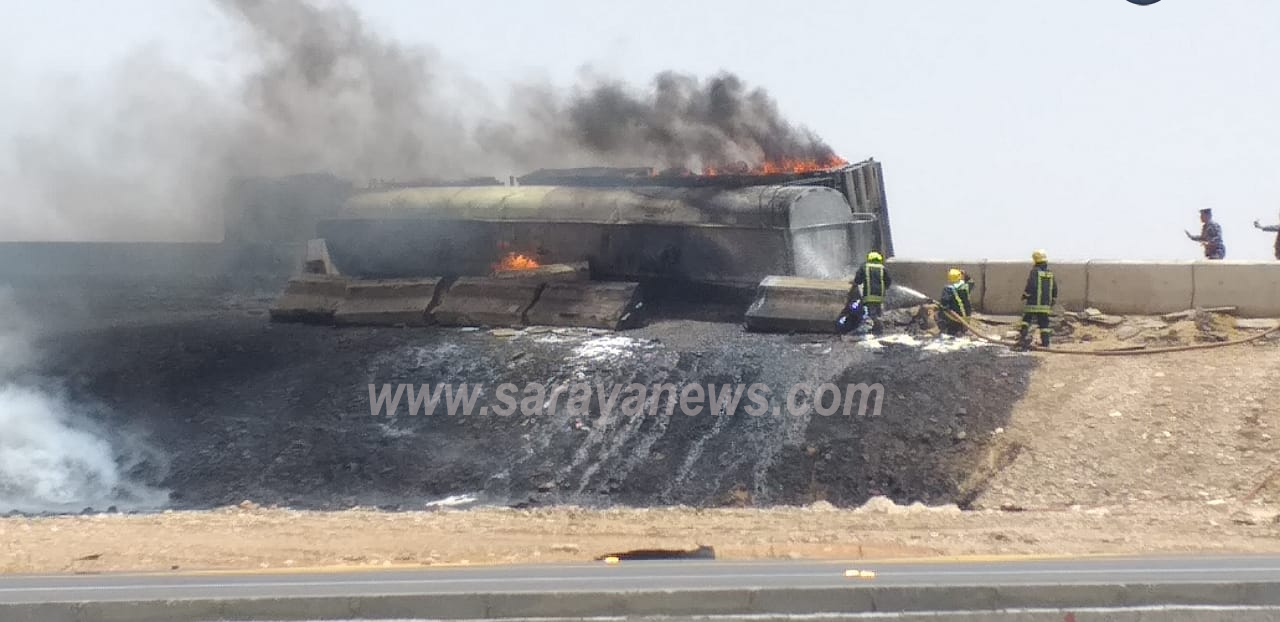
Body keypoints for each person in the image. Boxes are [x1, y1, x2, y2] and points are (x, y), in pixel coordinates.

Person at [1018, 250, 1058, 349]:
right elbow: (1054, 288)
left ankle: (1023, 337)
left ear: (1035, 260)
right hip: (1045, 305)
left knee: (1026, 320)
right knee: (1044, 324)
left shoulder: (1035, 272)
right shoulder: (1049, 273)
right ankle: (1046, 342)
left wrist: (1025, 295)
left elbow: (1032, 285)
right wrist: (1053, 299)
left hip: (1033, 303)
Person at [852, 251, 892, 334]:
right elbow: (888, 281)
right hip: (880, 295)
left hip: (870, 295)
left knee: (872, 313)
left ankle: (879, 326)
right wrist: (886, 288)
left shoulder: (865, 266)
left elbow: (858, 279)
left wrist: (855, 283)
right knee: (878, 312)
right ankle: (877, 329)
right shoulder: (882, 268)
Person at [936, 268, 973, 336]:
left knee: (939, 313)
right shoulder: (966, 286)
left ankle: (949, 330)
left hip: (956, 318)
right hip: (967, 317)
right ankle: (963, 328)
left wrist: (941, 307)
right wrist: (966, 275)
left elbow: (944, 304)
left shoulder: (948, 289)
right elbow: (971, 281)